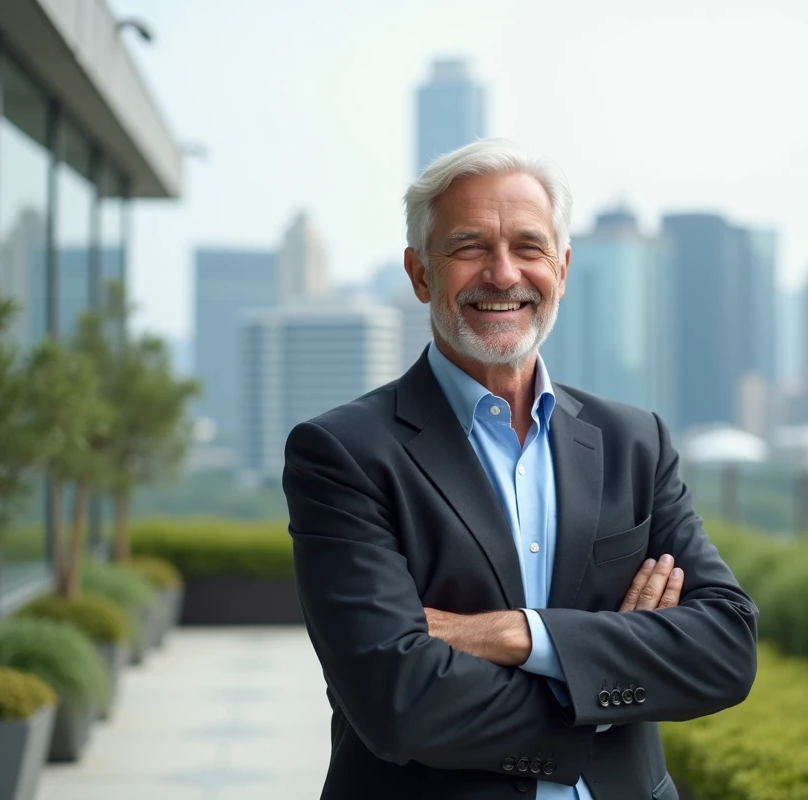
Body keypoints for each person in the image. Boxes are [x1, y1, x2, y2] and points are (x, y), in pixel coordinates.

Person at [282, 138, 758, 800]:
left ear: (561, 269)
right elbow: (398, 702)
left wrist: (515, 634)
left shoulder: (632, 442)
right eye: (470, 246)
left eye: (528, 247)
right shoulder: (343, 453)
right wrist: (607, 675)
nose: (503, 274)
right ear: (420, 274)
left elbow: (726, 650)